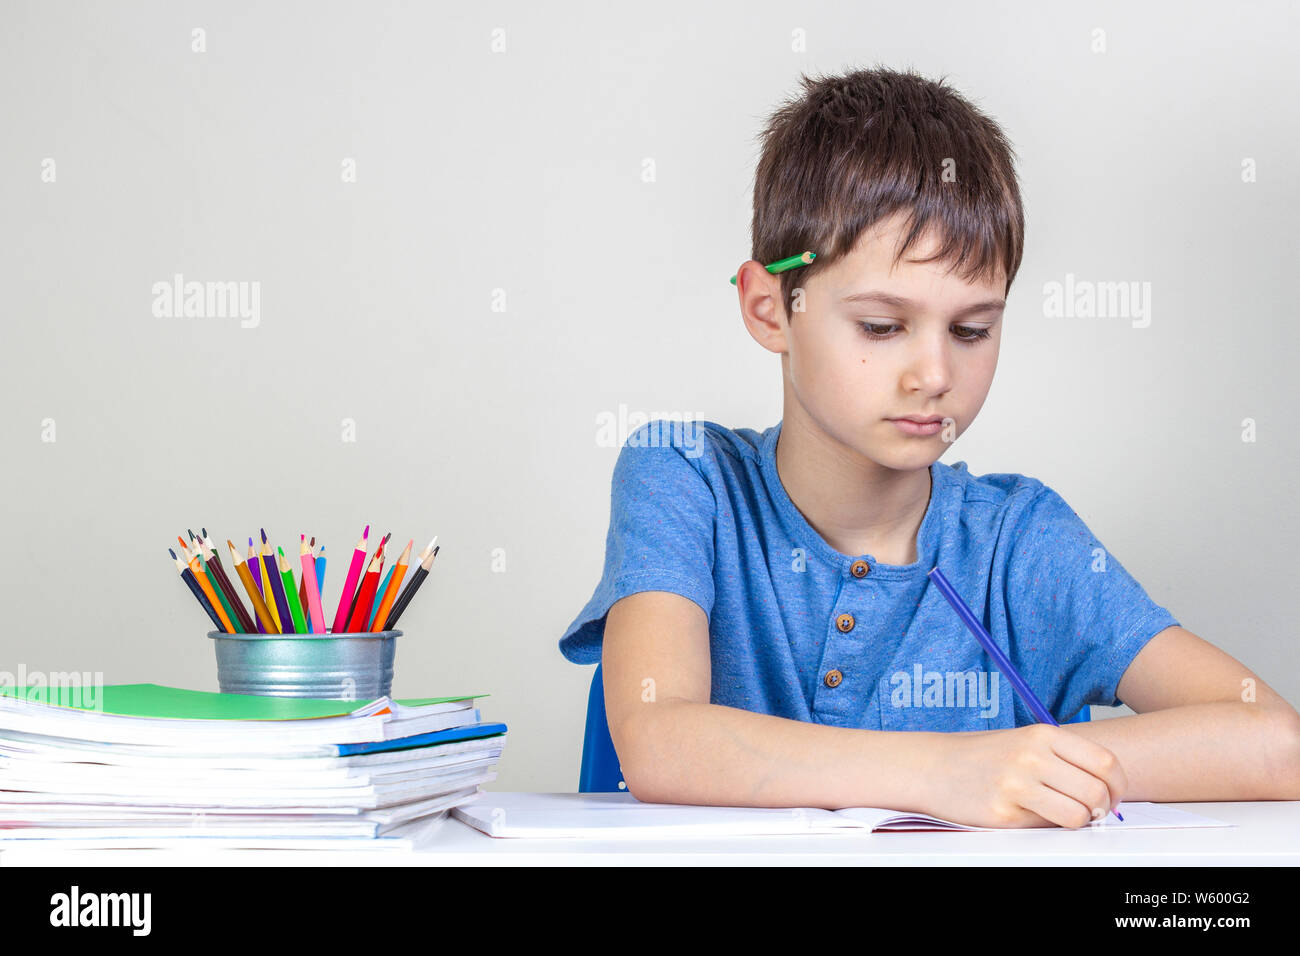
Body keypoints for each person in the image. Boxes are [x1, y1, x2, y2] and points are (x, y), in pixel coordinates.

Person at [559, 67, 1300, 828]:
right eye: (882, 327)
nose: (936, 375)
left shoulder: (1020, 540)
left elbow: (1275, 743)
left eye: (972, 329)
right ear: (770, 308)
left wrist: (1034, 765)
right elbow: (661, 741)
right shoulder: (686, 475)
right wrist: (951, 768)